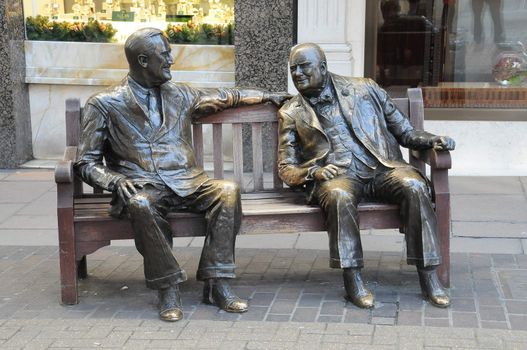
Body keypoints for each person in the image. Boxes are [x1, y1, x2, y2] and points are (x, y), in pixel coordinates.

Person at [74, 28, 289, 322]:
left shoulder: (182, 94)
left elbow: (228, 97)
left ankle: (217, 283)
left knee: (227, 191)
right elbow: (85, 162)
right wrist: (115, 180)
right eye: (164, 55)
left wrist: (268, 96)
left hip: (188, 181)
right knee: (141, 204)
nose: (171, 60)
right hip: (143, 185)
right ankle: (168, 287)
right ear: (143, 60)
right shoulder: (105, 104)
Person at [278, 43, 455, 309]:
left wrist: (433, 140)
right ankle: (353, 280)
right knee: (338, 195)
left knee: (415, 185)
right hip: (339, 175)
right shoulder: (290, 112)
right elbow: (286, 167)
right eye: (293, 69)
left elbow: (405, 132)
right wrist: (314, 171)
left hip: (381, 168)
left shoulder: (365, 88)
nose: (298, 73)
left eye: (304, 66)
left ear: (323, 68)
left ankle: (428, 277)